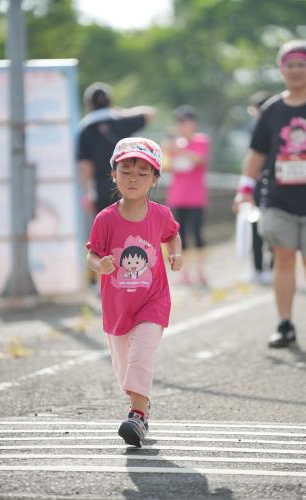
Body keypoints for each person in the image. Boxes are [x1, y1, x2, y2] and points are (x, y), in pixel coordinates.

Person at [86, 137, 182, 447]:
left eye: (143, 173)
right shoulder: (105, 219)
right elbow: (91, 254)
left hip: (153, 302)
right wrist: (98, 265)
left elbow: (173, 235)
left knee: (141, 356)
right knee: (123, 366)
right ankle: (140, 402)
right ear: (113, 174)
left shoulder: (161, 215)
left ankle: (137, 416)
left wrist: (175, 254)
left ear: (154, 180)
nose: (133, 178)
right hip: (118, 307)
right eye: (126, 170)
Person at [233, 40, 306, 348]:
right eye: (290, 64)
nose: (296, 70)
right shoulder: (272, 110)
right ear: (281, 69)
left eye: (301, 64)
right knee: (284, 257)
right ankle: (285, 324)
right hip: (277, 199)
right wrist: (244, 191)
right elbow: (257, 153)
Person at [77, 82, 155, 216]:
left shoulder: (85, 129)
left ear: (89, 104)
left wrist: (87, 193)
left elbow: (85, 166)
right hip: (129, 184)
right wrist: (120, 112)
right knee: (131, 228)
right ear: (110, 101)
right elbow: (150, 113)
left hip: (101, 188)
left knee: (106, 230)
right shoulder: (121, 121)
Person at [163, 105, 210, 286]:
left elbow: (199, 159)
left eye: (186, 122)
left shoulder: (201, 141)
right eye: (180, 122)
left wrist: (177, 148)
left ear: (194, 123)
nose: (183, 126)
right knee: (179, 238)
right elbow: (165, 166)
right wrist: (168, 150)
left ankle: (200, 271)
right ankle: (184, 274)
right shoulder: (173, 145)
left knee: (198, 236)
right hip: (177, 197)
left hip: (196, 197)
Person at [245, 91, 274, 285]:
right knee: (256, 227)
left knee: (273, 229)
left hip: (274, 186)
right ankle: (260, 269)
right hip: (258, 185)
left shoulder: (276, 126)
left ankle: (271, 268)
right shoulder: (255, 128)